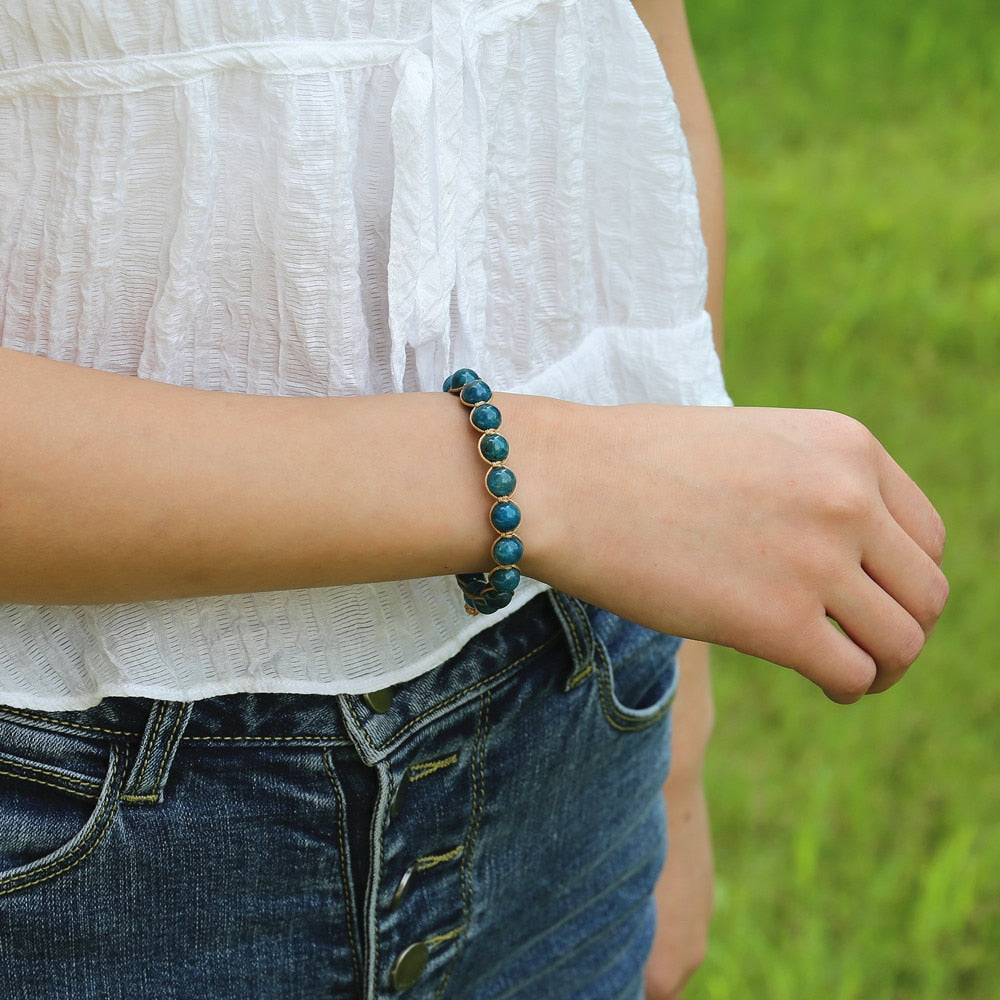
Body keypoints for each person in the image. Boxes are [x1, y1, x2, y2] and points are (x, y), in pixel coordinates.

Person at [0, 1, 946, 997]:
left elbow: (633, 57)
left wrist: (675, 741)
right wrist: (551, 474)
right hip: (71, 814)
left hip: (572, 714)